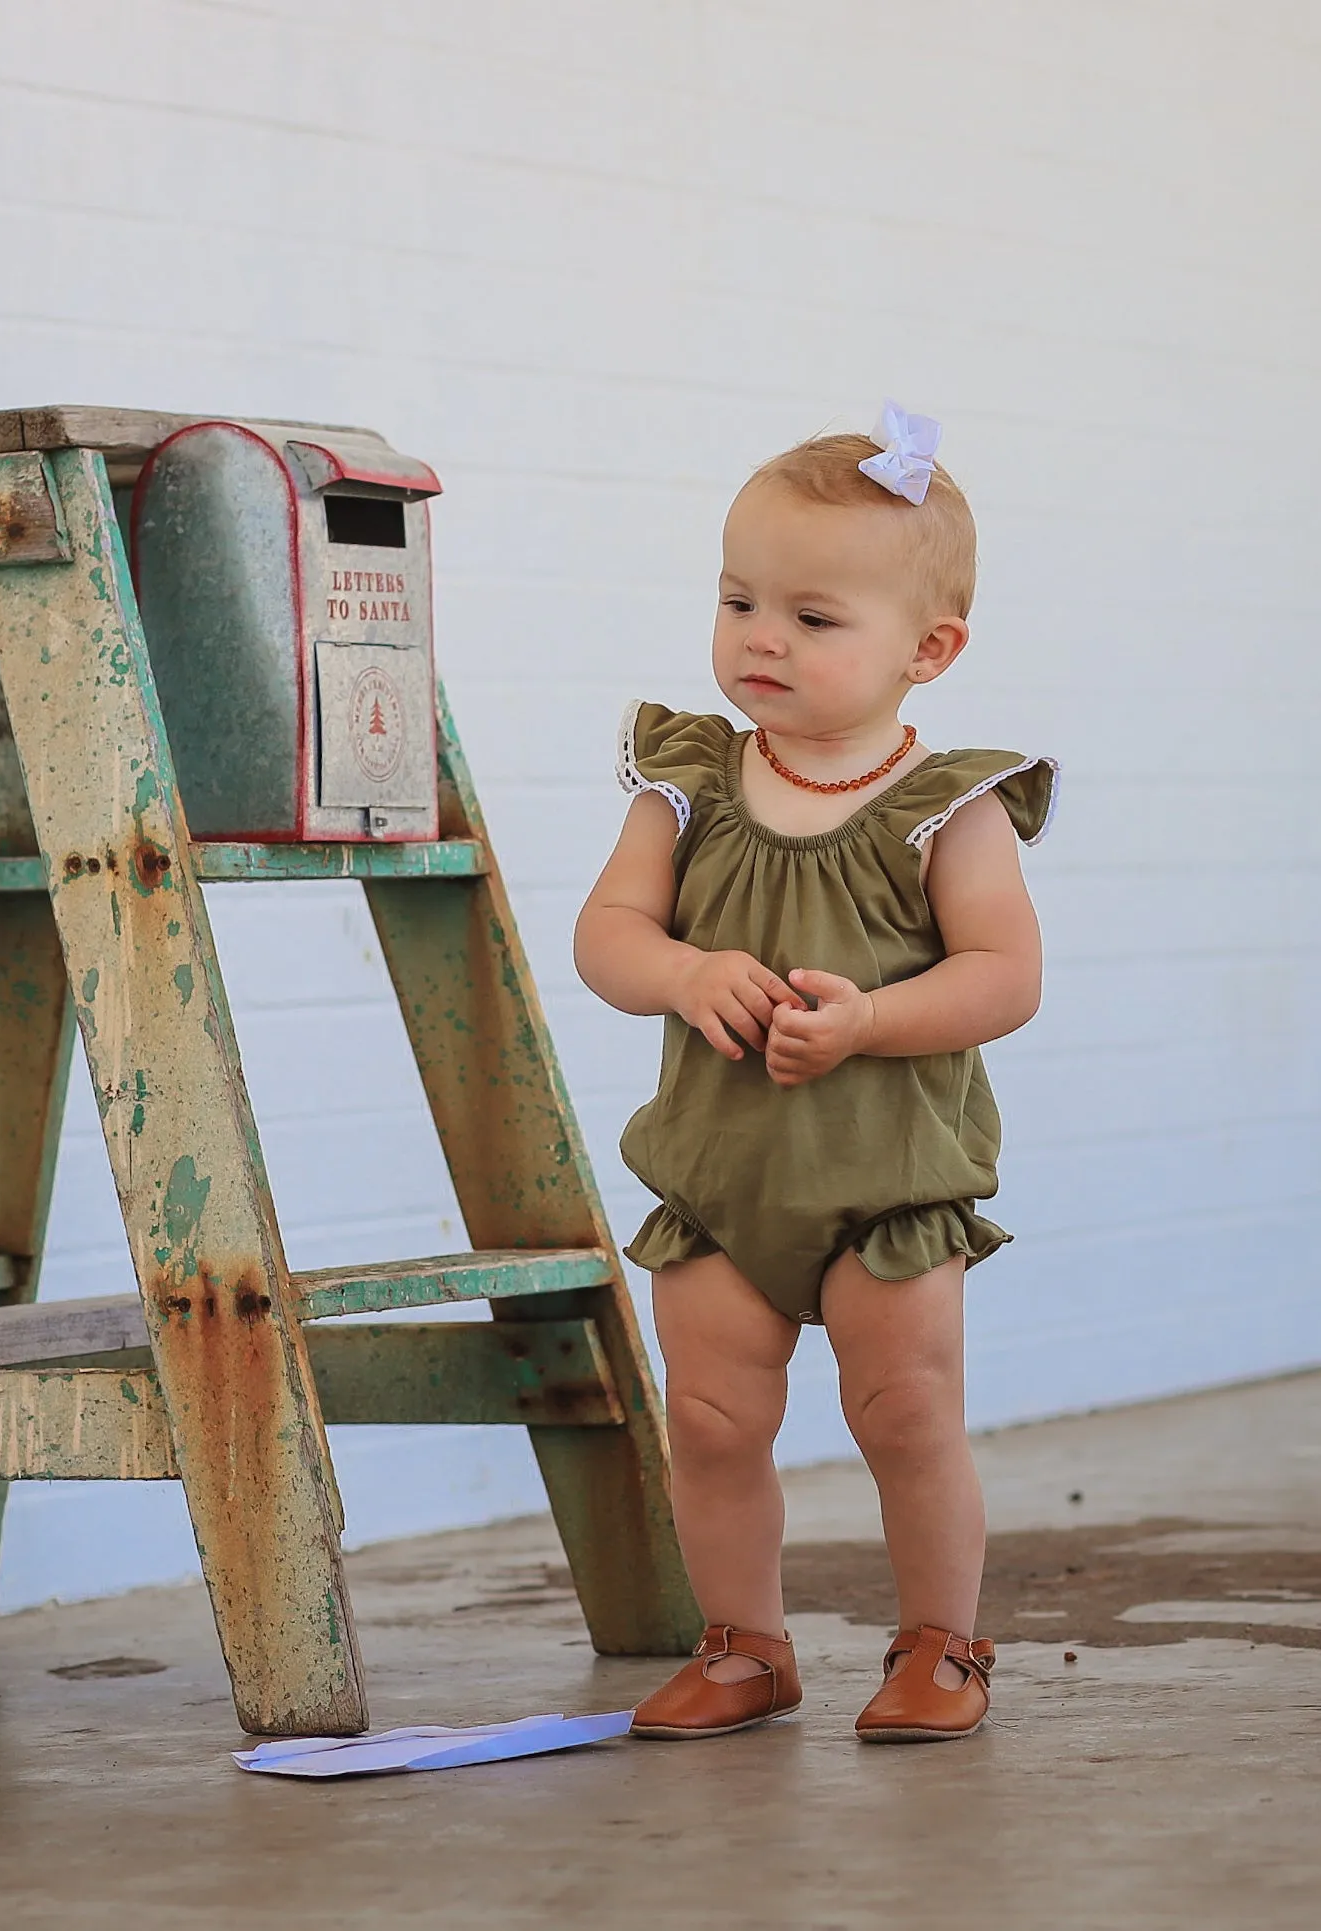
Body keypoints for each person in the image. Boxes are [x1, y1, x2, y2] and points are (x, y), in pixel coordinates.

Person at [574, 404, 1055, 1743]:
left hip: (883, 1184)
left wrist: (868, 1020)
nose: (759, 637)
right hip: (725, 1181)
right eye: (738, 600)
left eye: (810, 615)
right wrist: (679, 972)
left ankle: (939, 1646)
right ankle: (743, 1645)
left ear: (929, 647)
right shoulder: (686, 782)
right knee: (715, 1418)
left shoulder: (945, 806)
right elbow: (605, 935)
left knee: (903, 1412)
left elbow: (1003, 975)